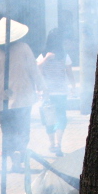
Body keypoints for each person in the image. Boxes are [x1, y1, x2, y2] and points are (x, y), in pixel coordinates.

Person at [0, 17, 45, 172]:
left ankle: (15, 161)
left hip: (4, 101)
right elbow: (34, 70)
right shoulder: (24, 48)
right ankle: (21, 155)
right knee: (23, 130)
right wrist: (42, 87)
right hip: (23, 99)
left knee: (8, 133)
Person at [37, 28, 76, 157]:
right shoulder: (61, 56)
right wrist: (73, 86)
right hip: (56, 92)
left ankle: (54, 144)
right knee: (59, 117)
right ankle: (57, 144)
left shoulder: (45, 55)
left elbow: (37, 70)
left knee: (50, 118)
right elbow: (70, 73)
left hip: (52, 93)